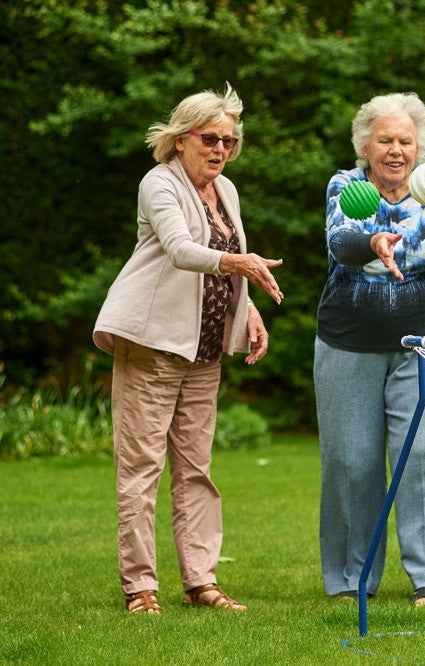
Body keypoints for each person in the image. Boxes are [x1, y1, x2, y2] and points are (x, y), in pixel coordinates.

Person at [93, 83, 284, 614]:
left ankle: (201, 582)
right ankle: (140, 588)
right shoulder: (159, 184)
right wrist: (241, 266)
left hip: (203, 354)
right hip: (152, 347)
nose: (221, 149)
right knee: (141, 470)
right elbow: (181, 251)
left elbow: (228, 257)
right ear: (181, 139)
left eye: (230, 141)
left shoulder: (227, 191)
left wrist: (248, 310)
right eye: (210, 139)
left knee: (196, 471)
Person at [313, 92, 425, 606]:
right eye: (385, 139)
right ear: (366, 144)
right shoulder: (347, 185)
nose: (396, 150)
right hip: (349, 342)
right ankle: (350, 580)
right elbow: (341, 239)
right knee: (352, 461)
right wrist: (373, 244)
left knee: (420, 453)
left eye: (406, 140)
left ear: (420, 146)